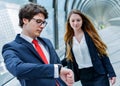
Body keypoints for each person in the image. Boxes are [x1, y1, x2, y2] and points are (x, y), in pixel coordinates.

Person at [1, 3, 74, 86]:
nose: (42, 26)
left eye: (43, 23)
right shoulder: (11, 47)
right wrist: (55, 70)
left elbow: (57, 65)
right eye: (38, 21)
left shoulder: (47, 42)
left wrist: (62, 77)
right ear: (25, 20)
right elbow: (17, 69)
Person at [61, 9, 116, 86]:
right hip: (84, 76)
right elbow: (68, 58)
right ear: (69, 22)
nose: (75, 23)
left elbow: (103, 54)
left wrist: (111, 73)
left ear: (82, 21)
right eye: (73, 21)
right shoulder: (69, 40)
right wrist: (56, 65)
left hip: (98, 73)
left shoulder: (90, 35)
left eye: (78, 20)